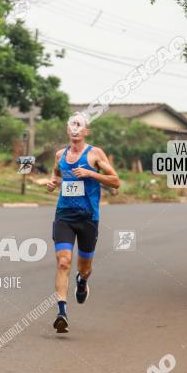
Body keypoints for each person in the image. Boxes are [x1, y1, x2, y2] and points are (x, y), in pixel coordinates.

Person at [46, 113, 120, 333]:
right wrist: (53, 183)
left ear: (86, 131)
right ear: (67, 129)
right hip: (64, 216)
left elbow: (115, 181)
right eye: (71, 124)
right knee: (63, 262)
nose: (75, 128)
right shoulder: (60, 154)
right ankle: (62, 312)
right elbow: (57, 173)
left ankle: (82, 281)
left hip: (88, 218)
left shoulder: (95, 153)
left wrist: (90, 173)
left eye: (79, 125)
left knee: (84, 267)